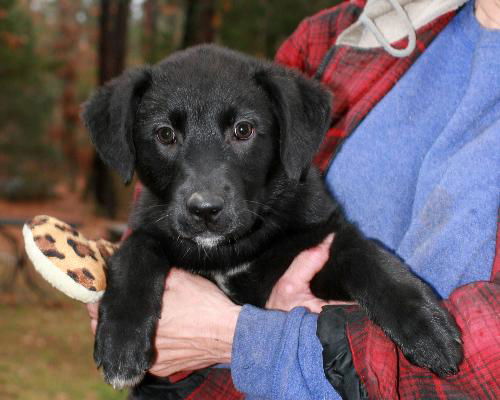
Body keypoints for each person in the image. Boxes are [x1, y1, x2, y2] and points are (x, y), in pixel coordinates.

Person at [88, 0, 500, 398]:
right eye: (165, 136)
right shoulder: (344, 33)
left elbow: (341, 251)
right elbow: (152, 223)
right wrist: (130, 290)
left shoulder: (299, 208)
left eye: (243, 132)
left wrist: (247, 337)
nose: (205, 195)